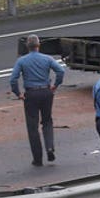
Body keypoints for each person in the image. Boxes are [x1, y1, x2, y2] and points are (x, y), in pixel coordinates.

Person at [9, 34, 65, 166]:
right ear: (39, 45)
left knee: (32, 126)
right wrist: (55, 85)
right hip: (46, 92)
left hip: (31, 94)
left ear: (27, 46)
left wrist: (18, 93)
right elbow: (60, 71)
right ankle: (50, 147)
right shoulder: (47, 58)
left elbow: (13, 79)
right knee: (47, 121)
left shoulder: (22, 61)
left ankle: (38, 158)